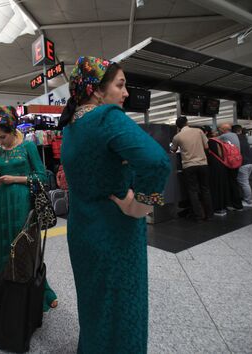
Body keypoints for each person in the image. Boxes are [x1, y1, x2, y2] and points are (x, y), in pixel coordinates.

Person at [59, 56, 171, 353]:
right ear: (96, 90)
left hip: (82, 231)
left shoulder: (69, 128)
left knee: (95, 306)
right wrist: (142, 206)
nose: (125, 93)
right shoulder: (107, 118)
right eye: (120, 85)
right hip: (115, 233)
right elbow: (158, 163)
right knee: (123, 309)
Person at [0, 106, 58, 311]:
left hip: (24, 203)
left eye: (2, 137)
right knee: (5, 246)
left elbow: (42, 177)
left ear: (12, 129)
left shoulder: (28, 147)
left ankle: (40, 290)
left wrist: (15, 179)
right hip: (4, 203)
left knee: (26, 248)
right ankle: (8, 289)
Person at [171, 116, 214, 222]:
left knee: (193, 191)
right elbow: (207, 147)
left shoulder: (177, 136)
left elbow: (173, 150)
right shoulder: (199, 131)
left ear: (178, 126)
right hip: (203, 164)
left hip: (189, 166)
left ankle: (199, 216)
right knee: (205, 189)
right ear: (187, 122)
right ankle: (209, 215)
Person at [218, 123, 243, 211]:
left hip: (230, 163)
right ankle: (237, 204)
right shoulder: (234, 135)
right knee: (234, 182)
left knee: (231, 184)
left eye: (220, 128)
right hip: (237, 161)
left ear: (223, 130)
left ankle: (235, 205)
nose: (219, 130)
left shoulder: (224, 136)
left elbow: (212, 141)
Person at [232, 125, 252, 207]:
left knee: (244, 183)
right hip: (250, 163)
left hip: (243, 164)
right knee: (244, 183)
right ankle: (246, 199)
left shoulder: (235, 139)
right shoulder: (244, 138)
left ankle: (249, 202)